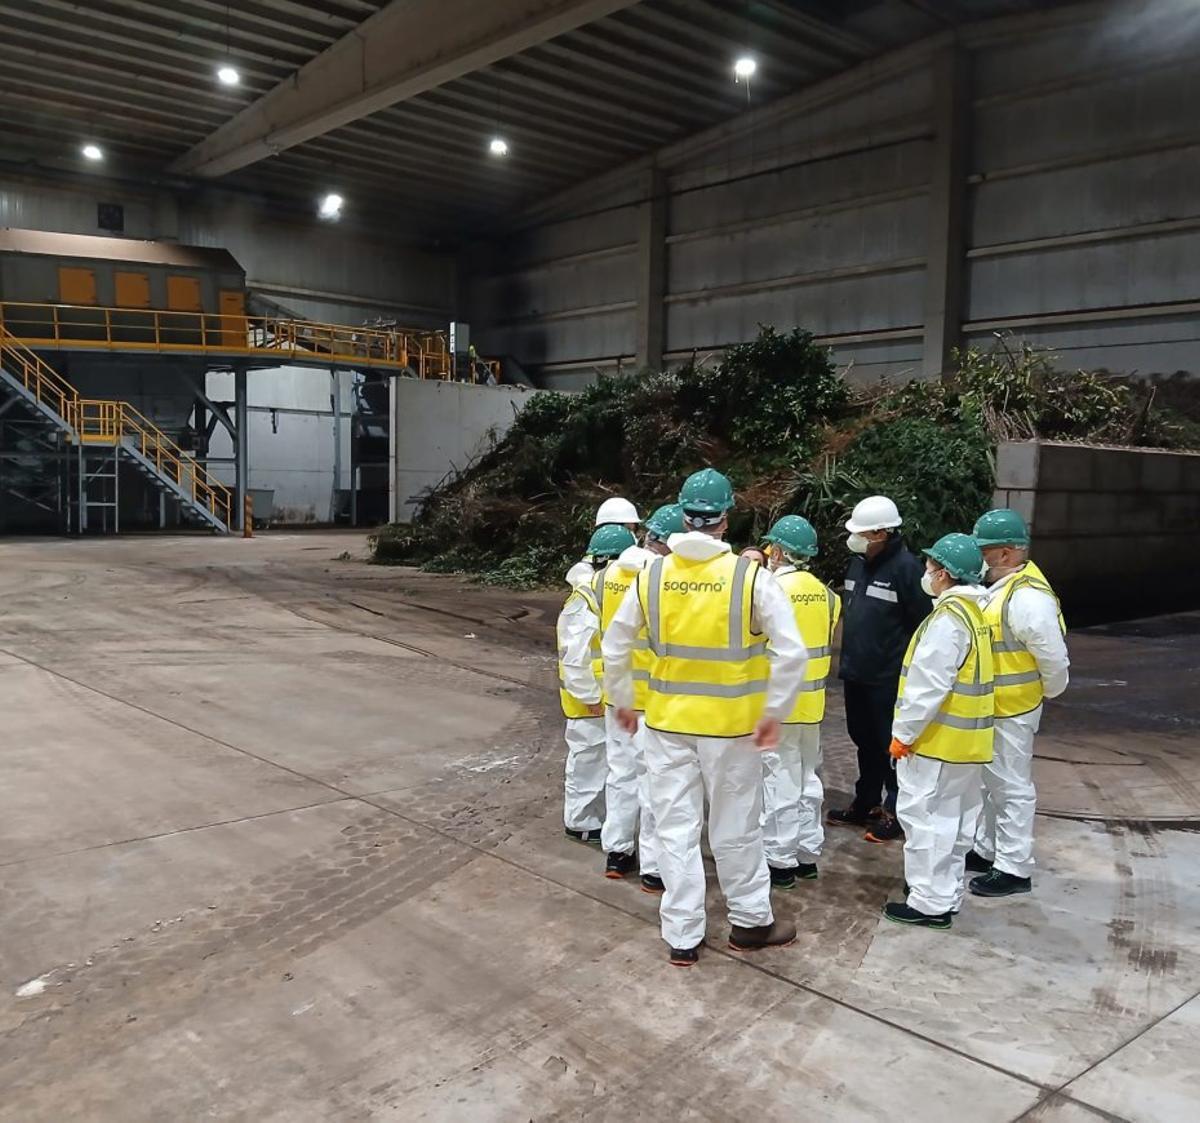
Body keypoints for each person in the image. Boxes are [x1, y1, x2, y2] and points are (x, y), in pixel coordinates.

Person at [602, 468, 808, 967]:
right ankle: (750, 924)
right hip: (733, 729)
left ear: (681, 514)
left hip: (668, 726)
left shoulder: (651, 575)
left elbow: (614, 645)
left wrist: (625, 702)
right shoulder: (748, 577)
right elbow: (792, 652)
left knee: (674, 830)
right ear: (725, 518)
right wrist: (774, 712)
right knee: (736, 829)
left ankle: (682, 936)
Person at [884, 533, 994, 929]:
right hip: (969, 745)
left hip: (936, 744)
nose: (926, 572)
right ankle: (944, 895)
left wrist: (904, 736)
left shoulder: (947, 622)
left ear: (944, 574)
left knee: (925, 820)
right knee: (955, 823)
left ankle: (928, 903)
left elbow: (927, 687)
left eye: (931, 567)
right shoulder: (976, 616)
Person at [967, 508, 1069, 898]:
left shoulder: (1027, 599)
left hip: (1013, 709)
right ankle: (987, 849)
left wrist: (1044, 693)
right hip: (995, 708)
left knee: (1011, 788)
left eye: (985, 550)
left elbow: (1053, 661)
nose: (980, 557)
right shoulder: (1004, 589)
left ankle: (1013, 867)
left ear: (1007, 554)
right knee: (991, 786)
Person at [828, 495, 930, 843]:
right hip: (856, 670)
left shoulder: (907, 569)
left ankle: (895, 811)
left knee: (891, 747)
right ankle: (866, 802)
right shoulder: (857, 564)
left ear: (883, 532)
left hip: (887, 677)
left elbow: (921, 624)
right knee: (864, 741)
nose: (855, 537)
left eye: (864, 532)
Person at [592, 510, 681, 890]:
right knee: (655, 786)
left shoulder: (604, 578)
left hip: (618, 698)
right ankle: (654, 867)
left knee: (620, 775)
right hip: (654, 702)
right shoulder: (661, 581)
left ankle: (617, 852)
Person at [759, 515, 841, 888]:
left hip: (778, 703)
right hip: (812, 703)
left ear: (778, 550)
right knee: (808, 777)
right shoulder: (828, 595)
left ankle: (779, 859)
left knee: (778, 779)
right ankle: (807, 852)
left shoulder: (770, 590)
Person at [557, 525, 636, 844]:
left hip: (605, 695)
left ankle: (596, 819)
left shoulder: (603, 590)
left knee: (605, 763)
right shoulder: (588, 593)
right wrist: (588, 694)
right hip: (589, 698)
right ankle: (581, 821)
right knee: (588, 762)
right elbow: (574, 653)